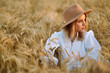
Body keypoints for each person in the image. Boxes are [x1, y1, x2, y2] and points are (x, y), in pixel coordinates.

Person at [43, 4, 101, 70]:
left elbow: (97, 57)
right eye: (80, 21)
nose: (84, 24)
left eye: (84, 20)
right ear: (72, 23)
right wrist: (53, 66)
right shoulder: (58, 36)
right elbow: (46, 54)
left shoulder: (87, 36)